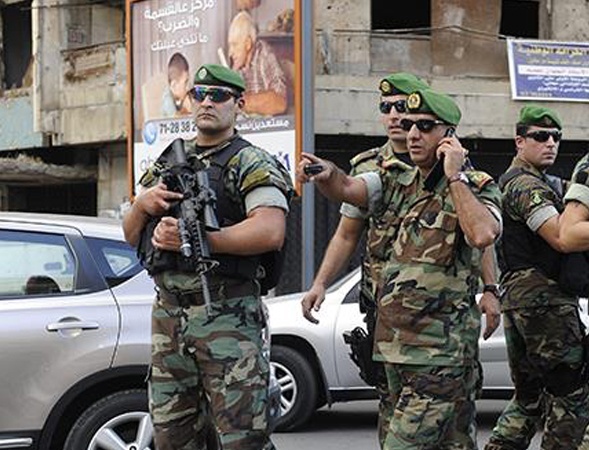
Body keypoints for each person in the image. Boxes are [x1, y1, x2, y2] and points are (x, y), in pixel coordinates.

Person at [297, 88, 502, 449]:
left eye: (425, 126)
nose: (412, 135)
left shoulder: (477, 186)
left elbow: (483, 234)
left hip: (439, 354)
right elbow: (347, 187)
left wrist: (455, 177)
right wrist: (327, 172)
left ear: (449, 137)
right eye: (408, 126)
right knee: (453, 444)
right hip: (392, 351)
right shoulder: (395, 180)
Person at [123, 63, 293, 450]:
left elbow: (270, 230)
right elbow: (131, 234)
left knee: (241, 439)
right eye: (200, 94)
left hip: (227, 314)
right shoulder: (168, 163)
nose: (207, 103)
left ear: (240, 104)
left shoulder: (251, 162)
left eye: (219, 96)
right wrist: (142, 205)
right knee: (172, 439)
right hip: (170, 320)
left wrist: (197, 238)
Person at [484, 105, 589, 450]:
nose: (550, 143)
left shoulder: (539, 182)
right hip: (544, 303)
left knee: (529, 399)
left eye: (556, 137)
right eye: (540, 136)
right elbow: (562, 237)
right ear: (519, 141)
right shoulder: (524, 185)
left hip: (526, 303)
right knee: (570, 393)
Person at [227, 11, 288, 116]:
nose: (230, 52)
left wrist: (244, 102)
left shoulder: (265, 55)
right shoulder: (238, 64)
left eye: (235, 45)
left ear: (248, 44)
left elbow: (280, 102)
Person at [161, 52, 192, 118]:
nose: (188, 88)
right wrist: (186, 110)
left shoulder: (179, 97)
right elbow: (176, 122)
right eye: (185, 83)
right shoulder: (167, 99)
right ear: (174, 85)